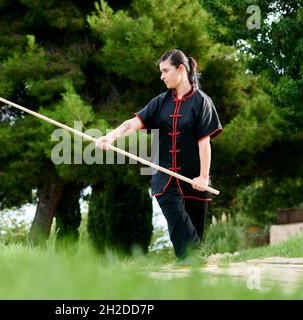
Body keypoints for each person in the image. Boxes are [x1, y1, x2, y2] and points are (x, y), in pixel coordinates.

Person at [96, 49, 223, 265]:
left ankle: (191, 271)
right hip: (165, 177)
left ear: (181, 69)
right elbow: (133, 123)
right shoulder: (160, 102)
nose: (162, 76)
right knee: (173, 211)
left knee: (192, 233)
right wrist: (111, 136)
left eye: (165, 71)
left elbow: (204, 142)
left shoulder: (202, 102)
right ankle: (193, 257)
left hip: (194, 179)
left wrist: (203, 177)